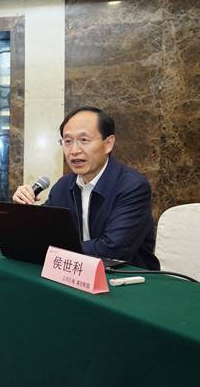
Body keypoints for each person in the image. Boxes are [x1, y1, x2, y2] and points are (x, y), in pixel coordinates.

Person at [12, 106, 160, 270]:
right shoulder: (63, 185)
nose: (74, 151)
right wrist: (22, 211)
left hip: (129, 277)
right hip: (76, 272)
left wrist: (54, 248)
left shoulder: (132, 186)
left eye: (84, 140)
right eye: (68, 141)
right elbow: (43, 231)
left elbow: (113, 249)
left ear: (108, 144)